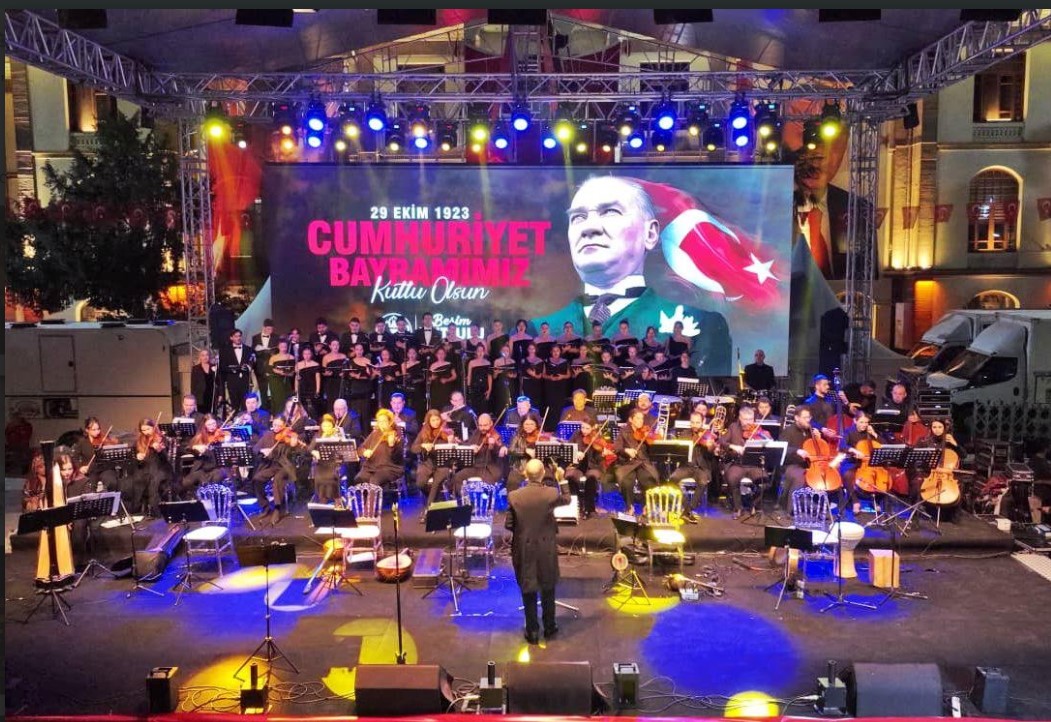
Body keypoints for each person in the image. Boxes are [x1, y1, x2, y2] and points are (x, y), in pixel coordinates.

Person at [532, 175, 732, 374]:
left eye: (610, 212)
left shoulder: (703, 325)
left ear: (650, 234)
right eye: (578, 217)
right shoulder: (536, 329)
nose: (588, 228)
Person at [506, 457, 571, 645]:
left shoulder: (514, 496)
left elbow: (509, 524)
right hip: (546, 547)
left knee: (528, 588)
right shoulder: (551, 493)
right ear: (543, 474)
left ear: (525, 474)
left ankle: (532, 631)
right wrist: (561, 479)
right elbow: (567, 499)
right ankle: (550, 626)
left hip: (523, 548)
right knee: (548, 586)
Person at [252, 415, 305, 525]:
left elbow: (297, 450)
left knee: (278, 479)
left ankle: (277, 508)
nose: (276, 427)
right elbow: (255, 448)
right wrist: (263, 451)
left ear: (285, 425)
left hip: (285, 466)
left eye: (279, 426)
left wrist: (294, 442)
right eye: (274, 425)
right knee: (257, 479)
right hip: (272, 466)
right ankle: (265, 506)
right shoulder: (268, 435)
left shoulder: (289, 435)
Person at [720, 405, 767, 519]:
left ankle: (753, 504)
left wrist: (765, 441)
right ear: (740, 418)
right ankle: (738, 507)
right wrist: (733, 446)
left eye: (751, 419)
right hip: (738, 463)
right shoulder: (733, 427)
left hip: (754, 465)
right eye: (745, 419)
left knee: (764, 482)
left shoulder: (758, 429)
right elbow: (722, 441)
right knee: (732, 479)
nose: (748, 422)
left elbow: (768, 443)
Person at [668, 411, 713, 522]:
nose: (695, 425)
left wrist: (710, 446)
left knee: (703, 482)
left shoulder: (707, 434)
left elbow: (712, 452)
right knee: (672, 479)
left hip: (702, 468)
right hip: (686, 466)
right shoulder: (684, 434)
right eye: (692, 422)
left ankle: (689, 509)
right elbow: (679, 451)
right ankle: (686, 507)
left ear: (702, 422)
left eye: (697, 422)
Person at [612, 409, 659, 512]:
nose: (641, 421)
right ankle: (629, 507)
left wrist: (652, 439)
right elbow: (616, 448)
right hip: (627, 463)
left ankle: (647, 506)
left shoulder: (645, 431)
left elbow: (653, 451)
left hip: (643, 463)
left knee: (648, 479)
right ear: (631, 419)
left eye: (642, 418)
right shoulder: (623, 432)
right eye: (638, 418)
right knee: (626, 481)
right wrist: (626, 450)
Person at [412, 409, 457, 510]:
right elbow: (413, 448)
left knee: (436, 483)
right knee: (420, 483)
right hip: (427, 463)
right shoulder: (423, 432)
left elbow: (455, 449)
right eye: (433, 420)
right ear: (428, 421)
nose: (436, 422)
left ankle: (429, 509)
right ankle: (436, 499)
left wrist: (451, 442)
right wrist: (423, 446)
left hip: (443, 464)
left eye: (438, 419)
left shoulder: (446, 432)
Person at [565, 418, 612, 517]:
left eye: (587, 428)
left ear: (593, 427)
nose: (584, 431)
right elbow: (568, 448)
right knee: (570, 476)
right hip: (578, 466)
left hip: (593, 466)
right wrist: (576, 452)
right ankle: (578, 503)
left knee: (591, 478)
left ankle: (589, 507)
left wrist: (603, 454)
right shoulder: (576, 434)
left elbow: (599, 459)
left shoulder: (598, 437)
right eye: (582, 427)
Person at [453, 413, 508, 493]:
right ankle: (466, 498)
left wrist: (493, 446)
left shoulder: (496, 435)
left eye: (485, 425)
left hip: (489, 469)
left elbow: (500, 450)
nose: (482, 428)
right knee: (457, 477)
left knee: (487, 487)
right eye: (480, 425)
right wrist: (470, 447)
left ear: (491, 423)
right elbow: (468, 444)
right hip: (475, 467)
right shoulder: (477, 432)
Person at [180, 415, 232, 497]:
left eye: (214, 424)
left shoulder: (222, 435)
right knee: (186, 482)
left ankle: (213, 498)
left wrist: (228, 442)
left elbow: (231, 449)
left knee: (215, 479)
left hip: (218, 467)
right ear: (204, 426)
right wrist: (195, 447)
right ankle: (199, 497)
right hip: (201, 469)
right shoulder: (200, 437)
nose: (212, 427)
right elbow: (185, 448)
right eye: (209, 424)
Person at [354, 409, 405, 490]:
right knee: (359, 479)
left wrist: (392, 446)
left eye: (384, 421)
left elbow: (397, 458)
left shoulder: (397, 434)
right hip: (372, 467)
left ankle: (373, 499)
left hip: (390, 468)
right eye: (380, 421)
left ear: (390, 422)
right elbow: (360, 448)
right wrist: (364, 452)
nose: (382, 424)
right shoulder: (375, 434)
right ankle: (367, 498)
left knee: (374, 480)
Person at [130, 418, 171, 517]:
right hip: (145, 468)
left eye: (148, 429)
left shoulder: (162, 439)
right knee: (137, 480)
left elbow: (166, 459)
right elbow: (133, 459)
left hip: (161, 468)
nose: (146, 432)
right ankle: (136, 510)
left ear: (154, 427)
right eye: (143, 430)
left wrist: (160, 451)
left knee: (154, 480)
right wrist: (138, 457)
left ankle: (156, 511)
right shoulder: (139, 441)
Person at [308, 414, 345, 504]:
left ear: (332, 425)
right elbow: (310, 448)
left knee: (331, 478)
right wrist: (314, 452)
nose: (326, 428)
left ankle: (337, 501)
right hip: (321, 464)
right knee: (320, 479)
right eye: (324, 426)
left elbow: (342, 451)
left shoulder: (337, 435)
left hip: (334, 464)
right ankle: (323, 501)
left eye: (328, 426)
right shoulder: (318, 435)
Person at [218, 329, 254, 412]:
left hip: (245, 381)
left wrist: (248, 367)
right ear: (231, 338)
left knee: (246, 404)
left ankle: (246, 418)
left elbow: (252, 364)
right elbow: (222, 366)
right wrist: (233, 369)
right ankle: (236, 419)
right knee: (234, 406)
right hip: (232, 381)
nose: (238, 338)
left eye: (239, 336)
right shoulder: (225, 350)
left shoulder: (248, 349)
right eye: (236, 336)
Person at [252, 319, 278, 411]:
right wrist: (262, 350)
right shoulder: (255, 337)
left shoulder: (276, 337)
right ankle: (264, 410)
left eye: (271, 329)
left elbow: (277, 351)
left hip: (271, 367)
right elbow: (253, 351)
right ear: (263, 328)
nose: (270, 331)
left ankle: (274, 409)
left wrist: (271, 352)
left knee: (274, 389)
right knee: (263, 390)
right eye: (268, 329)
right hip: (260, 368)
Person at [267, 338, 296, 414]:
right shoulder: (273, 357)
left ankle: (288, 415)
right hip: (275, 380)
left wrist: (288, 373)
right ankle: (277, 415)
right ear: (278, 347)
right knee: (278, 399)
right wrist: (279, 372)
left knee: (287, 397)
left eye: (285, 347)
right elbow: (270, 369)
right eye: (282, 346)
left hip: (287, 380)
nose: (283, 348)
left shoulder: (291, 357)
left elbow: (293, 370)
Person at [295, 345, 323, 420]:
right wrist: (296, 390)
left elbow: (318, 378)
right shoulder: (298, 364)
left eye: (308, 354)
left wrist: (317, 391)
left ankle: (314, 420)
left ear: (311, 354)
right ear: (302, 355)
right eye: (305, 354)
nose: (307, 356)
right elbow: (296, 378)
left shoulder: (316, 364)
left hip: (312, 387)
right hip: (302, 387)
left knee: (313, 407)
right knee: (303, 405)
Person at [428, 346, 458, 412]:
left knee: (446, 407)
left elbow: (454, 376)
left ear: (445, 355)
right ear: (436, 355)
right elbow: (429, 378)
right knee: (436, 407)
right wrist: (432, 378)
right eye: (439, 353)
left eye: (442, 353)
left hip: (446, 389)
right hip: (436, 389)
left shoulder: (449, 364)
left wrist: (447, 380)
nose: (440, 355)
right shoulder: (433, 365)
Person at [466, 343, 492, 414]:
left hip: (484, 389)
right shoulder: (471, 362)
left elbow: (489, 377)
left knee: (484, 409)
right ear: (476, 352)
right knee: (474, 409)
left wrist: (489, 390)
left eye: (482, 351)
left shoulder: (488, 363)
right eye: (478, 351)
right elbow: (469, 376)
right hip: (474, 389)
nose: (480, 353)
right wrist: (468, 389)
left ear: (484, 352)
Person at [190, 348, 217, 415]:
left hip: (212, 395)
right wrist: (193, 398)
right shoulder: (195, 368)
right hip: (200, 397)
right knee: (201, 415)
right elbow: (193, 385)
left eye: (207, 355)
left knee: (212, 415)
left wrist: (220, 394)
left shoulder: (214, 367)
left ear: (209, 356)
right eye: (203, 355)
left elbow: (219, 381)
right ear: (200, 357)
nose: (205, 357)